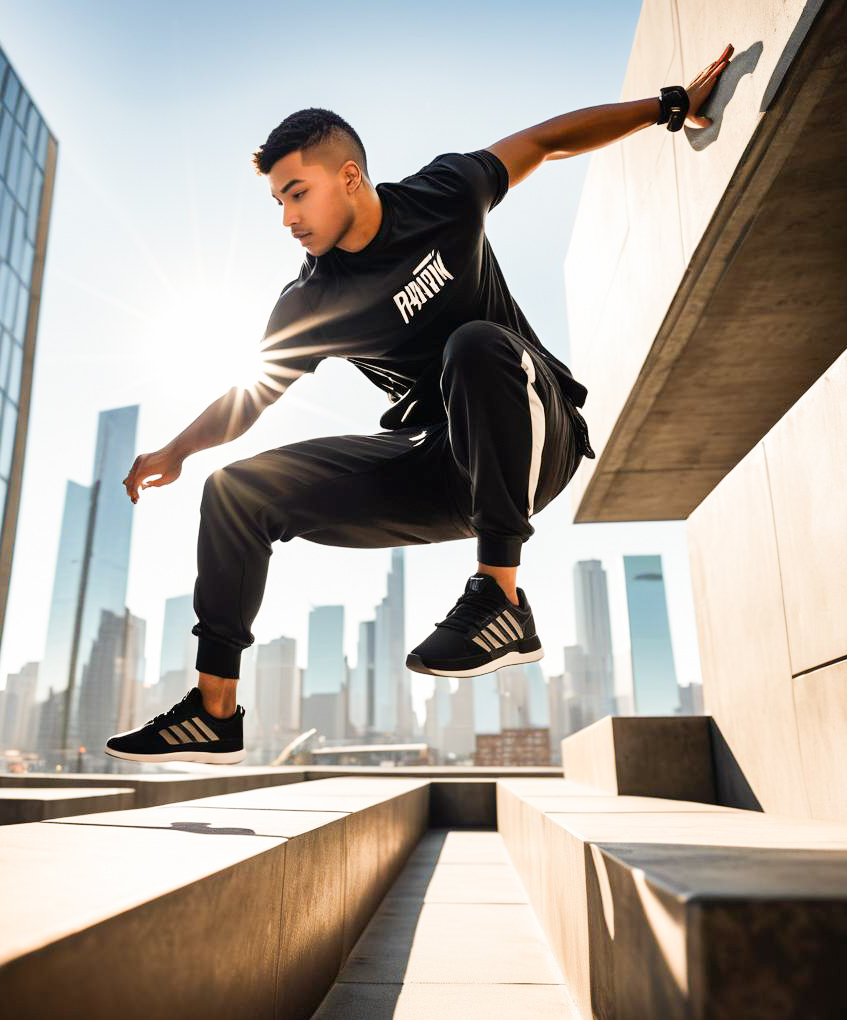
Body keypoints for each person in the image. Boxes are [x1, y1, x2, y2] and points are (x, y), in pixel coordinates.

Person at [105, 45, 733, 765]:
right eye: (276, 201)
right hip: (446, 470)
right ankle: (214, 711)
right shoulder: (311, 301)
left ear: (349, 177)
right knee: (237, 492)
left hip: (536, 431)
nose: (286, 218)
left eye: (297, 193)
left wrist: (669, 105)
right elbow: (250, 398)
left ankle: (501, 600)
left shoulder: (447, 192)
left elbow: (545, 141)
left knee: (471, 345)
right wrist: (177, 452)